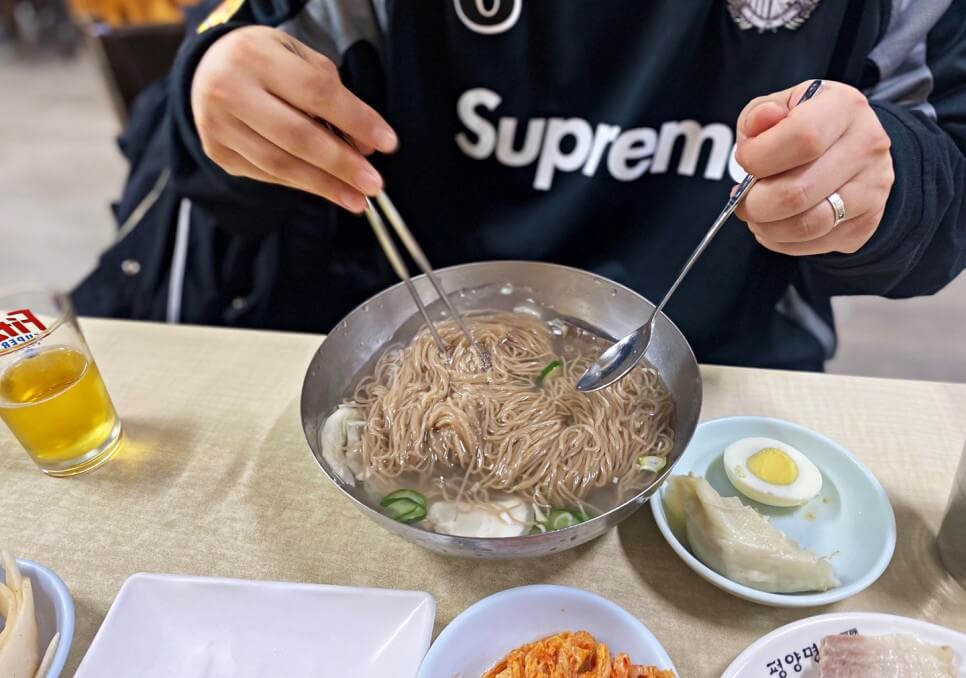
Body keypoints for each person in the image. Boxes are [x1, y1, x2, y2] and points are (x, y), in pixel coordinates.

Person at [73, 0, 966, 371]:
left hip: (717, 356)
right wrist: (219, 95)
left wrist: (878, 183)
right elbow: (227, 98)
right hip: (398, 348)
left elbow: (943, 186)